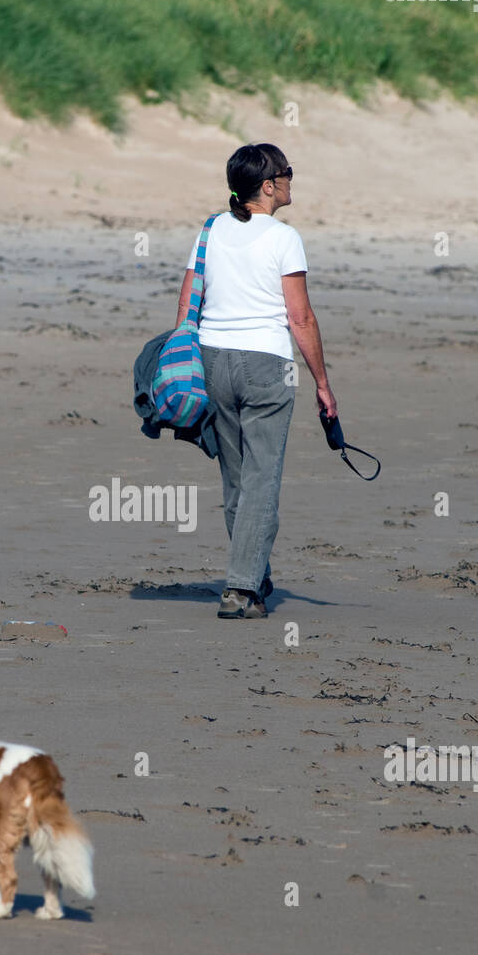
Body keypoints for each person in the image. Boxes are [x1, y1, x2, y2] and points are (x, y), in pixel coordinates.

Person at [175, 142, 337, 619]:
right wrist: (323, 384)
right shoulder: (284, 238)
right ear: (268, 186)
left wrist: (190, 356)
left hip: (212, 359)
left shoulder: (210, 230)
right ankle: (241, 589)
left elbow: (188, 300)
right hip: (266, 364)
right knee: (262, 479)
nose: (291, 180)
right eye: (288, 173)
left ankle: (254, 577)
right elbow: (300, 318)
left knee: (236, 479)